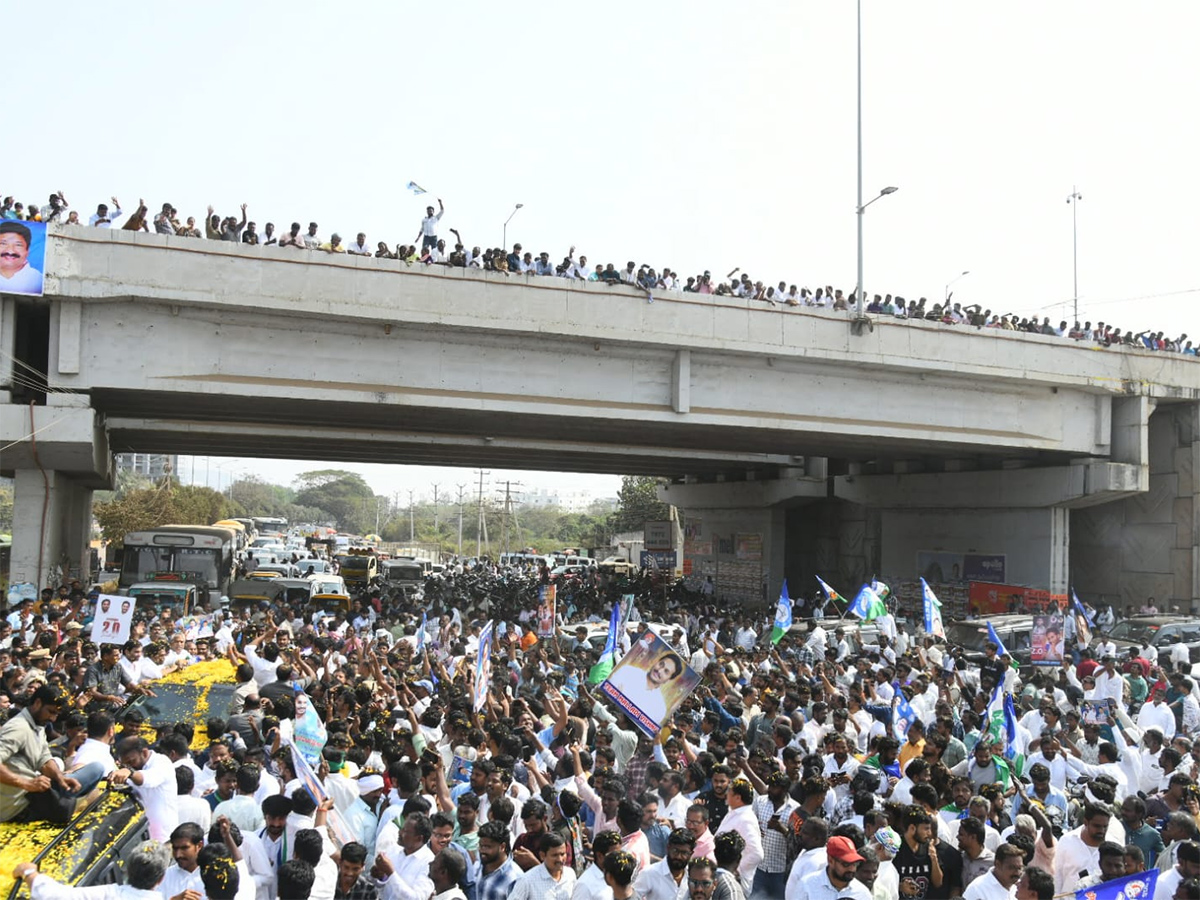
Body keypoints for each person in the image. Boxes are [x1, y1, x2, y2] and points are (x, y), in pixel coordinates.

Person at [0, 684, 105, 823]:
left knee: (96, 769)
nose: (53, 719)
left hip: (39, 792)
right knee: (93, 794)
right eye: (51, 712)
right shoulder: (18, 728)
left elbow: (44, 759)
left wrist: (60, 778)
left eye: (56, 714)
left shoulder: (38, 724)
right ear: (37, 703)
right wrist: (27, 784)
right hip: (20, 806)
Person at [15, 837, 173, 899]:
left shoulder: (108, 894)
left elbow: (52, 895)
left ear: (128, 869)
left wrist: (29, 872)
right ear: (161, 878)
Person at [111, 735, 181, 841]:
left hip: (164, 835)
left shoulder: (161, 762)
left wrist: (129, 772)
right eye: (125, 764)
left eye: (131, 761)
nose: (129, 766)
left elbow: (148, 780)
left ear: (144, 753)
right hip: (141, 834)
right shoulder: (132, 769)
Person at [606, 650, 687, 731]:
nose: (659, 670)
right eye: (661, 664)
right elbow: (607, 691)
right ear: (656, 662)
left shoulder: (659, 708)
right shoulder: (627, 671)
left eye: (666, 671)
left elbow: (644, 728)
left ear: (668, 680)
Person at [789, 836, 872, 900]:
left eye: (855, 864)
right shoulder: (807, 886)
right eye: (846, 864)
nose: (851, 869)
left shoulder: (862, 893)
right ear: (830, 860)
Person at [509, 832, 575, 900]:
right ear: (542, 856)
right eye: (555, 855)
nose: (560, 859)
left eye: (562, 854)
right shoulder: (527, 880)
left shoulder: (570, 875)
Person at [632, 827, 694, 899]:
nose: (679, 856)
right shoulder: (649, 873)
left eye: (684, 853)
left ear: (691, 854)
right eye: (675, 851)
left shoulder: (692, 875)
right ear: (668, 848)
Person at [0, 221, 44, 295]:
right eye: (3, 243)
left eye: (18, 245)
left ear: (27, 251)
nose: (10, 251)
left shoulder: (38, 281)